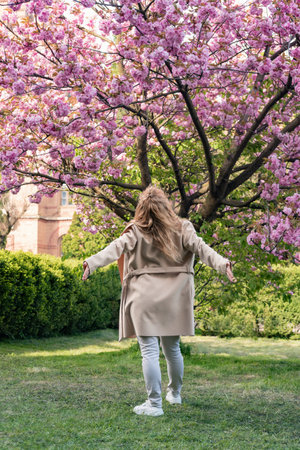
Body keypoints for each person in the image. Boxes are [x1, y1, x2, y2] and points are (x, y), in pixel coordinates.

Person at [82, 185, 236, 417]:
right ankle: (174, 394)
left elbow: (115, 249)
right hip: (174, 296)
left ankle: (154, 404)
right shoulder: (183, 227)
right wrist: (223, 264)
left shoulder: (135, 230)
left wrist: (91, 263)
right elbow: (202, 250)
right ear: (166, 206)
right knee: (172, 348)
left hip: (143, 296)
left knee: (149, 352)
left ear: (142, 209)